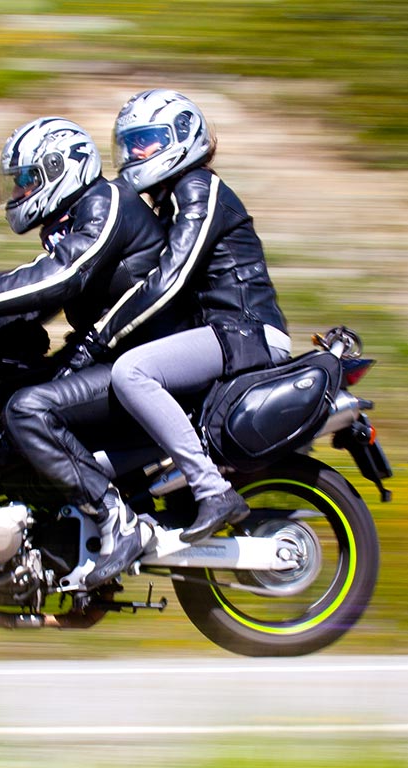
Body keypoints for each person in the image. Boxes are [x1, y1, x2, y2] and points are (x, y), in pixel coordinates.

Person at [0, 116, 174, 590]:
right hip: (113, 353)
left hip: (148, 361)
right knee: (13, 390)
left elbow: (61, 278)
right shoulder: (72, 218)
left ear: (62, 168)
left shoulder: (107, 204)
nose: (18, 193)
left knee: (28, 409)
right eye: (15, 183)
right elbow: (40, 290)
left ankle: (116, 519)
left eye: (26, 181)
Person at [63, 89, 292, 543]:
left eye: (146, 140)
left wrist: (98, 338)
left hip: (244, 331)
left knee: (133, 372)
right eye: (129, 143)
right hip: (218, 335)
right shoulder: (169, 202)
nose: (134, 153)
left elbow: (169, 279)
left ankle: (214, 491)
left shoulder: (199, 189)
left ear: (182, 137)